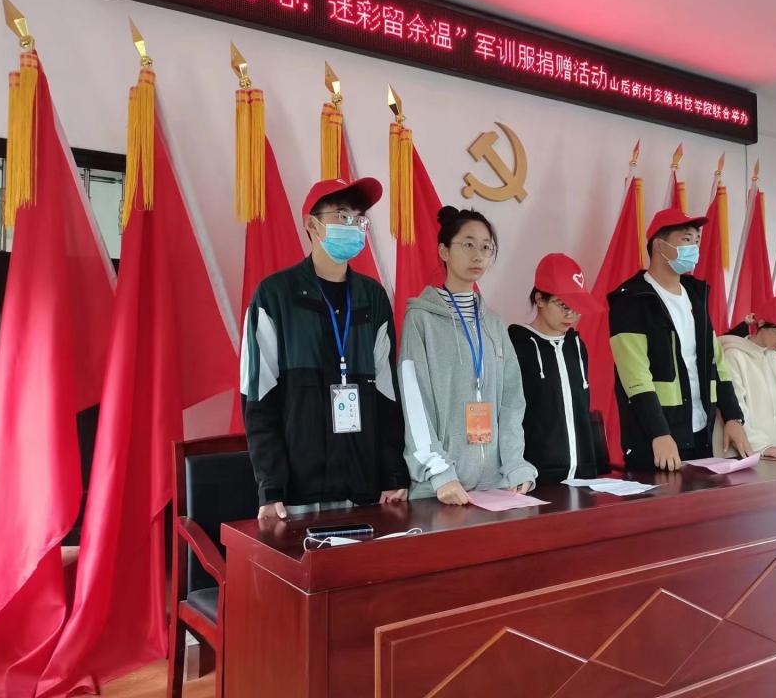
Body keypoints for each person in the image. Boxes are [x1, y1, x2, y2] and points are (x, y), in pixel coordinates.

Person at [241, 177, 408, 520]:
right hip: (297, 491)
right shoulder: (274, 296)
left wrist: (392, 474)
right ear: (311, 224)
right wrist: (270, 487)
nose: (353, 225)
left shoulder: (372, 297)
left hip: (364, 486)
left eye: (359, 219)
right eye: (342, 216)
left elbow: (387, 395)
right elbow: (259, 399)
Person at [399, 206, 537, 504]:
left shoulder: (493, 323)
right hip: (440, 489)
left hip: (496, 489)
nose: (478, 255)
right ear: (444, 251)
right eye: (468, 245)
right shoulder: (421, 320)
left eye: (486, 247)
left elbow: (512, 401)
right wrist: (440, 474)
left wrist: (515, 465)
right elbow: (415, 404)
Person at [608, 207, 750, 471]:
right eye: (685, 239)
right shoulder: (631, 300)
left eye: (696, 241)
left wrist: (733, 416)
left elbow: (717, 362)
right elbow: (635, 377)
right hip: (657, 440)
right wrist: (659, 433)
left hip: (701, 434)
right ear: (659, 245)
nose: (693, 248)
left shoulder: (696, 295)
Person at [509, 253, 609, 484]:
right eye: (563, 305)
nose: (571, 315)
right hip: (535, 478)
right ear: (539, 299)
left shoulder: (577, 345)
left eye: (577, 307)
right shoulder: (516, 345)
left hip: (583, 476)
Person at [715, 297, 776, 459]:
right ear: (761, 323)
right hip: (748, 453)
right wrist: (762, 447)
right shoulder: (733, 356)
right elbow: (734, 410)